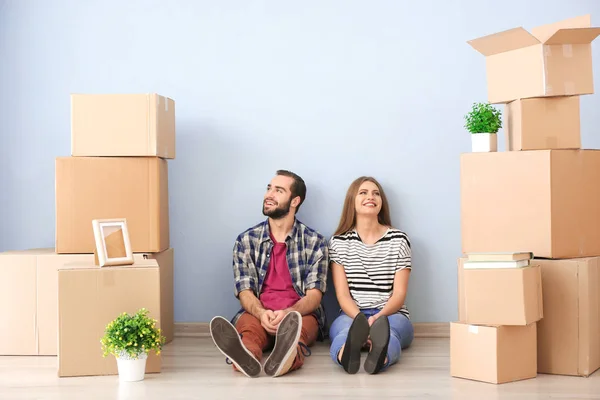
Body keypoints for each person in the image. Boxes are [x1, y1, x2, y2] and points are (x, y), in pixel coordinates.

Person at [209, 170, 328, 378]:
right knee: (249, 334)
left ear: (295, 201)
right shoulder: (246, 241)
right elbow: (244, 292)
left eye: (278, 190)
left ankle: (286, 357)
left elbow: (314, 296)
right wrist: (263, 313)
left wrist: (289, 313)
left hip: (299, 315)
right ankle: (247, 356)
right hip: (259, 312)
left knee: (296, 334)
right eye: (268, 188)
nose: (269, 194)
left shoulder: (315, 242)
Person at [327, 176, 414, 375]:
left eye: (376, 193)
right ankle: (344, 355)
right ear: (352, 201)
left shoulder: (399, 240)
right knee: (342, 332)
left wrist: (377, 317)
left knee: (390, 333)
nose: (371, 197)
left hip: (392, 313)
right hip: (352, 313)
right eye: (363, 192)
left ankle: (380, 357)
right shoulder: (339, 242)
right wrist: (359, 319)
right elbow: (342, 295)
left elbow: (399, 294)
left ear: (381, 202)